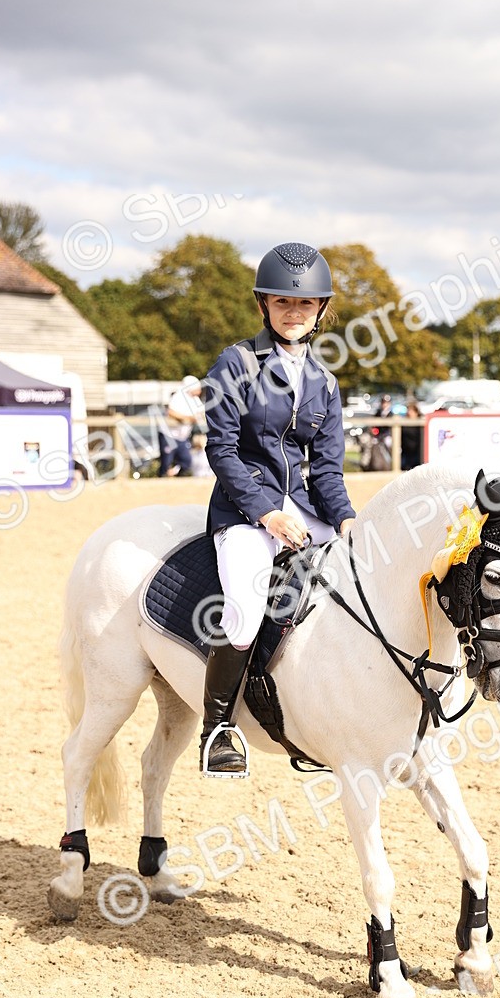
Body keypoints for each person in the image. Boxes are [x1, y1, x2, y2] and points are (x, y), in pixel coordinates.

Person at [200, 242, 356, 777]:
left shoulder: (325, 383)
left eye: (305, 303)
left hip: (305, 509)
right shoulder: (237, 363)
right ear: (263, 304)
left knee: (357, 583)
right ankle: (218, 728)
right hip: (244, 511)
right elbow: (221, 450)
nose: (294, 312)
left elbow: (327, 471)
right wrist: (267, 513)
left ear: (320, 309)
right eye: (282, 302)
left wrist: (348, 520)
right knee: (245, 604)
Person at [159, 375, 205, 476]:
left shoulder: (195, 400)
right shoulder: (178, 397)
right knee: (166, 462)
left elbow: (201, 413)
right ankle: (162, 477)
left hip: (182, 437)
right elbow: (171, 412)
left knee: (186, 461)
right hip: (169, 435)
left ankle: (175, 475)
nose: (199, 391)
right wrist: (187, 418)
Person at [400, 397, 423, 470]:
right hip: (406, 454)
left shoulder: (421, 424)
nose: (410, 413)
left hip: (418, 454)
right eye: (409, 410)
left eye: (412, 410)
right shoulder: (403, 424)